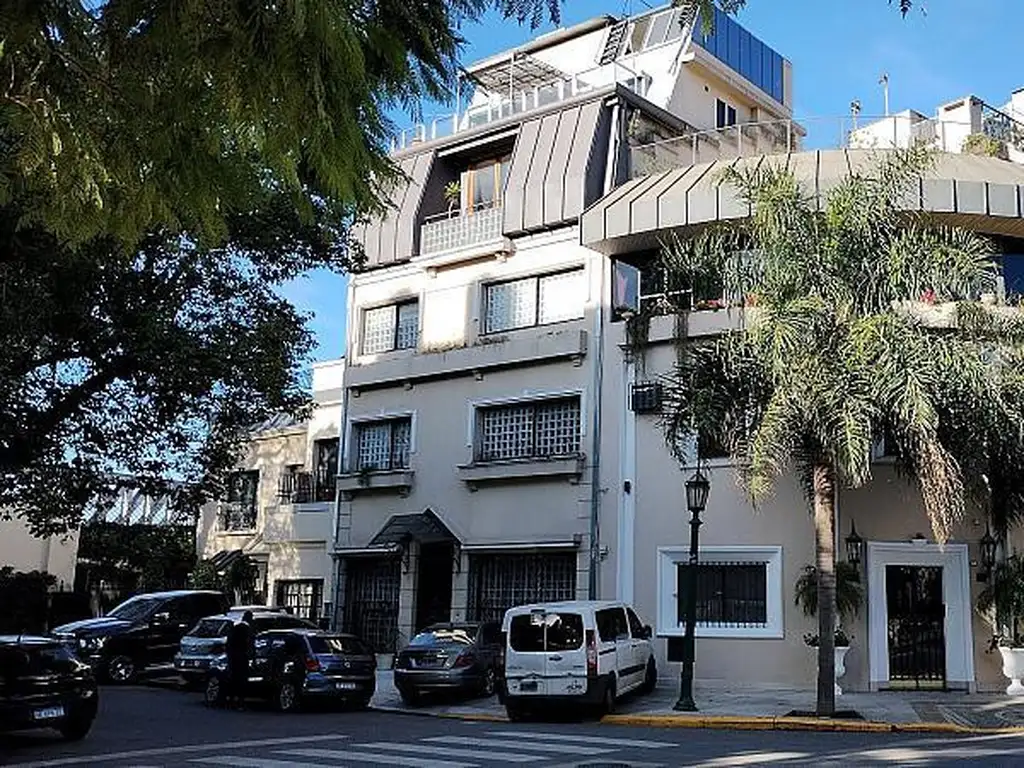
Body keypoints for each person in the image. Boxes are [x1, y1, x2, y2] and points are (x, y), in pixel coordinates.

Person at [225, 610, 254, 709]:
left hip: (233, 657)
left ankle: (230, 699)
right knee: (242, 680)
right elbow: (250, 645)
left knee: (233, 677)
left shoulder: (235, 628)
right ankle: (240, 701)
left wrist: (229, 654)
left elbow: (228, 643)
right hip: (243, 657)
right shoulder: (249, 631)